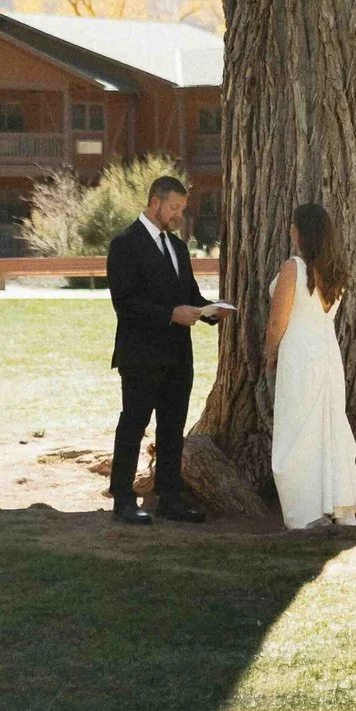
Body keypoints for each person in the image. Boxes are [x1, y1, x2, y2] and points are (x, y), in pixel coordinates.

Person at [106, 174, 223, 525]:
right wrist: (171, 314)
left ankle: (170, 498)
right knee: (134, 424)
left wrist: (210, 311)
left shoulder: (177, 247)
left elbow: (187, 295)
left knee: (172, 429)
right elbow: (124, 303)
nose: (178, 215)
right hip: (141, 356)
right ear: (154, 202)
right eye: (174, 207)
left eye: (182, 209)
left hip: (177, 356)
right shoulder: (124, 244)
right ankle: (123, 499)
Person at [266, 201, 356, 531]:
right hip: (326, 352)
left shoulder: (293, 268)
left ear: (301, 233)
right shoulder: (333, 269)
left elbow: (278, 321)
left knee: (297, 431)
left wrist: (270, 354)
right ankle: (333, 504)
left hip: (299, 352)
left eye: (294, 226)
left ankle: (305, 512)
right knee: (326, 428)